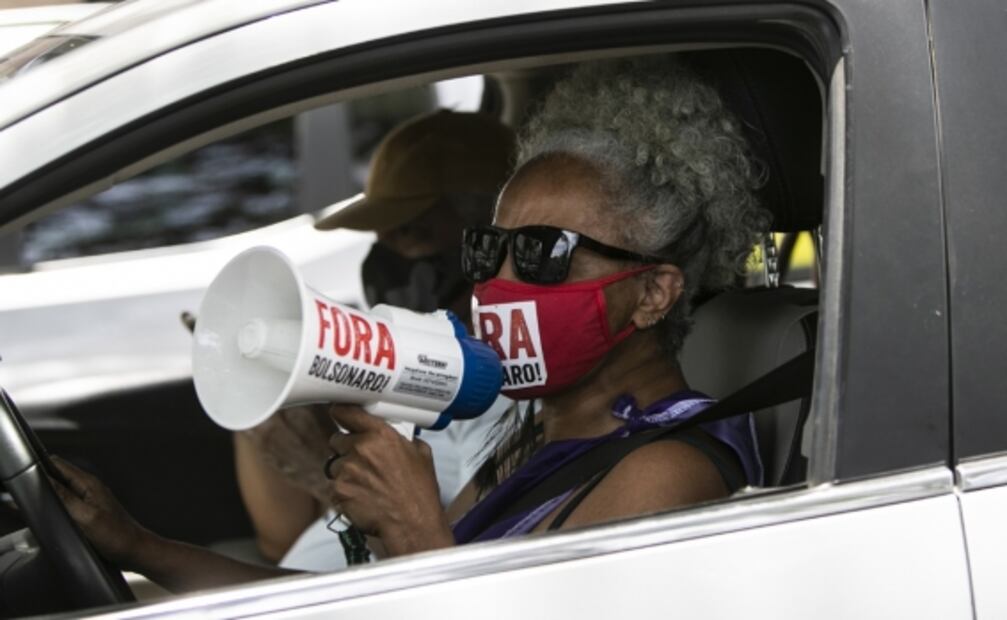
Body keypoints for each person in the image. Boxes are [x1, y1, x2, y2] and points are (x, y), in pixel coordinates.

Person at [52, 54, 769, 591]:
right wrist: (137, 546)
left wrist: (417, 532)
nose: (496, 282)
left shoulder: (666, 473)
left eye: (544, 255)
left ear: (653, 294)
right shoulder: (527, 438)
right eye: (489, 250)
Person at [232, 109, 517, 569]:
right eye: (383, 236)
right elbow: (278, 544)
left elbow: (454, 568)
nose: (390, 259)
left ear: (487, 234)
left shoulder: (505, 390)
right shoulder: (399, 360)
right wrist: (270, 433)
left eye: (414, 231)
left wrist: (322, 477)